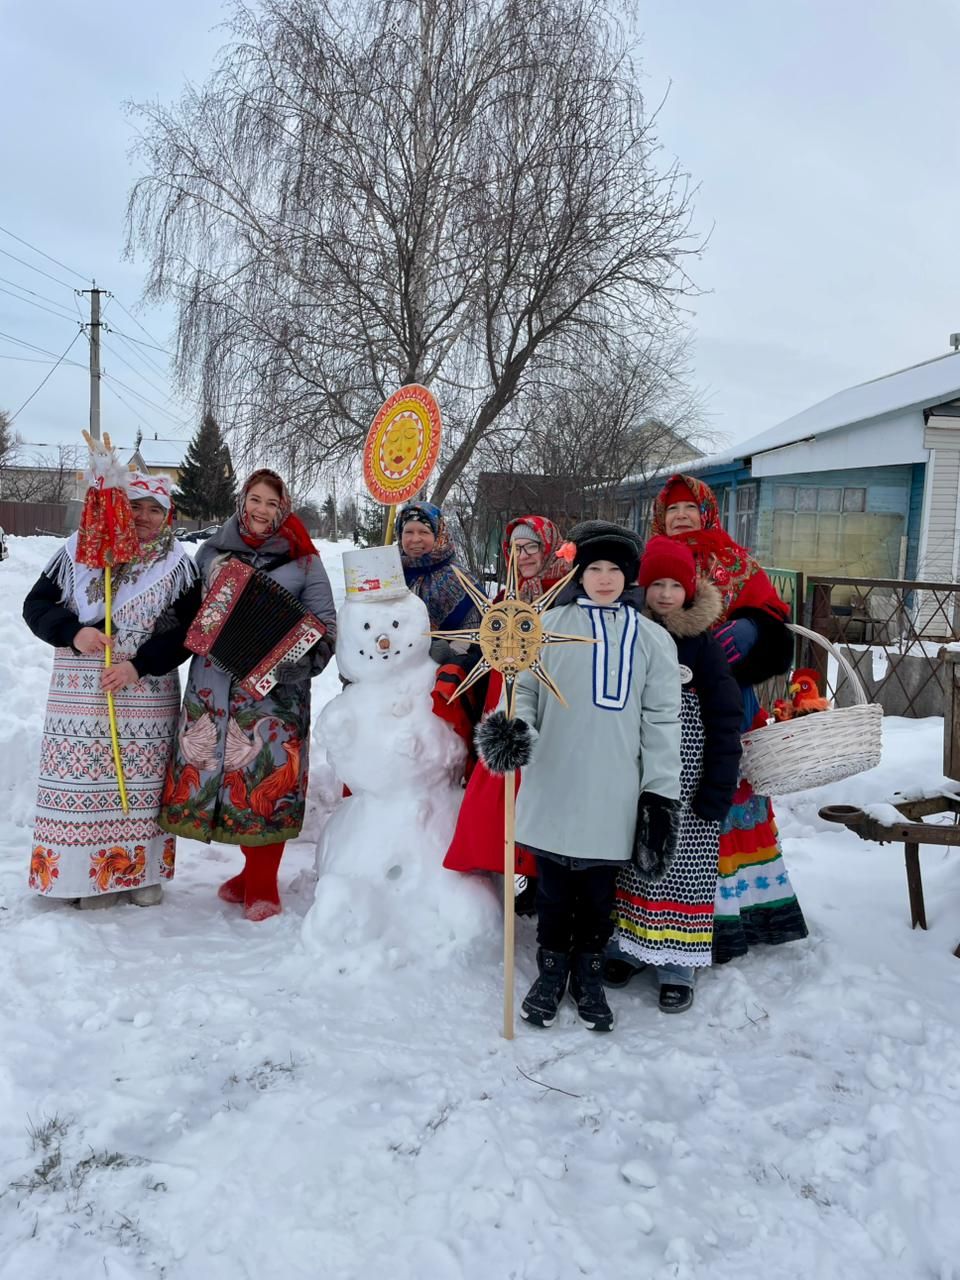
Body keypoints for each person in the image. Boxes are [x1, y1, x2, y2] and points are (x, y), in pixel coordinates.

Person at [476, 520, 682, 1033]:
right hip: (555, 778)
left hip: (615, 789)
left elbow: (661, 722)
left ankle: (587, 975)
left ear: (628, 576)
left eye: (615, 570)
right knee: (551, 891)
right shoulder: (546, 626)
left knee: (596, 895)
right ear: (581, 573)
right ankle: (550, 973)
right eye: (595, 568)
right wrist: (515, 729)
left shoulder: (652, 640)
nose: (605, 578)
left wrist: (660, 794)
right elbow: (522, 690)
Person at [159, 469, 337, 921]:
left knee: (265, 782)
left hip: (273, 697)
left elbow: (325, 627)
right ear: (243, 501)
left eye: (272, 504)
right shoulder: (210, 554)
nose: (261, 511)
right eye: (255, 500)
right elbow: (185, 612)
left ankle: (263, 883)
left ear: (284, 509)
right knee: (223, 786)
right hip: (214, 689)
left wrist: (295, 663)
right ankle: (246, 873)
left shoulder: (304, 561)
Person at [24, 471, 200, 908]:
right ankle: (81, 876)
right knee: (84, 781)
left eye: (154, 509)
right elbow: (36, 605)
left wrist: (139, 666)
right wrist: (73, 633)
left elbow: (187, 632)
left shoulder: (177, 564)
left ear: (168, 516)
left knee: (142, 786)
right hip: (80, 693)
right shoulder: (80, 550)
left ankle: (139, 872)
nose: (143, 516)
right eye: (135, 505)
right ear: (119, 506)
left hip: (145, 692)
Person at [651, 474, 809, 963]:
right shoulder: (649, 561)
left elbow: (778, 637)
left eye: (688, 509)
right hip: (658, 698)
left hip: (726, 702)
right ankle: (654, 907)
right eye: (671, 509)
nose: (680, 517)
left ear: (706, 512)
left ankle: (730, 912)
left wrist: (749, 634)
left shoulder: (736, 563)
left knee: (717, 796)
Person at [605, 536, 743, 1011]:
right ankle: (628, 947)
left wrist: (717, 788)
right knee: (634, 862)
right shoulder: (628, 634)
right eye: (656, 584)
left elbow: (726, 719)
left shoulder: (702, 647)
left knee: (680, 868)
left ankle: (677, 964)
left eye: (674, 585)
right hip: (634, 772)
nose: (664, 594)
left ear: (690, 590)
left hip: (689, 783)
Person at [442, 515, 568, 907]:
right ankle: (507, 864)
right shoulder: (502, 599)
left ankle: (538, 870)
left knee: (542, 783)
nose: (525, 555)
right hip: (505, 698)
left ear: (548, 547)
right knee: (502, 784)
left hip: (551, 698)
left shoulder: (565, 592)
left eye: (532, 547)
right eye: (516, 548)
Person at [397, 501, 482, 648]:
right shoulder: (391, 575)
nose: (415, 539)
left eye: (424, 532)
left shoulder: (461, 581)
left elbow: (477, 636)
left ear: (439, 536)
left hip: (446, 667)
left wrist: (451, 656)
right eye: (408, 532)